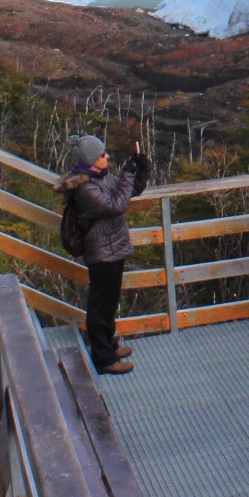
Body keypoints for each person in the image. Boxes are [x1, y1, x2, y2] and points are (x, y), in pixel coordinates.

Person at [58, 133, 150, 375]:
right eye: (102, 154)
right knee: (100, 306)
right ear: (89, 160)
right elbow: (116, 205)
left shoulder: (101, 177)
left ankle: (109, 346)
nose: (107, 156)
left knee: (109, 303)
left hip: (114, 247)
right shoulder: (85, 188)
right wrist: (128, 173)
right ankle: (104, 359)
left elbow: (129, 192)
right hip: (101, 252)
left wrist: (140, 168)